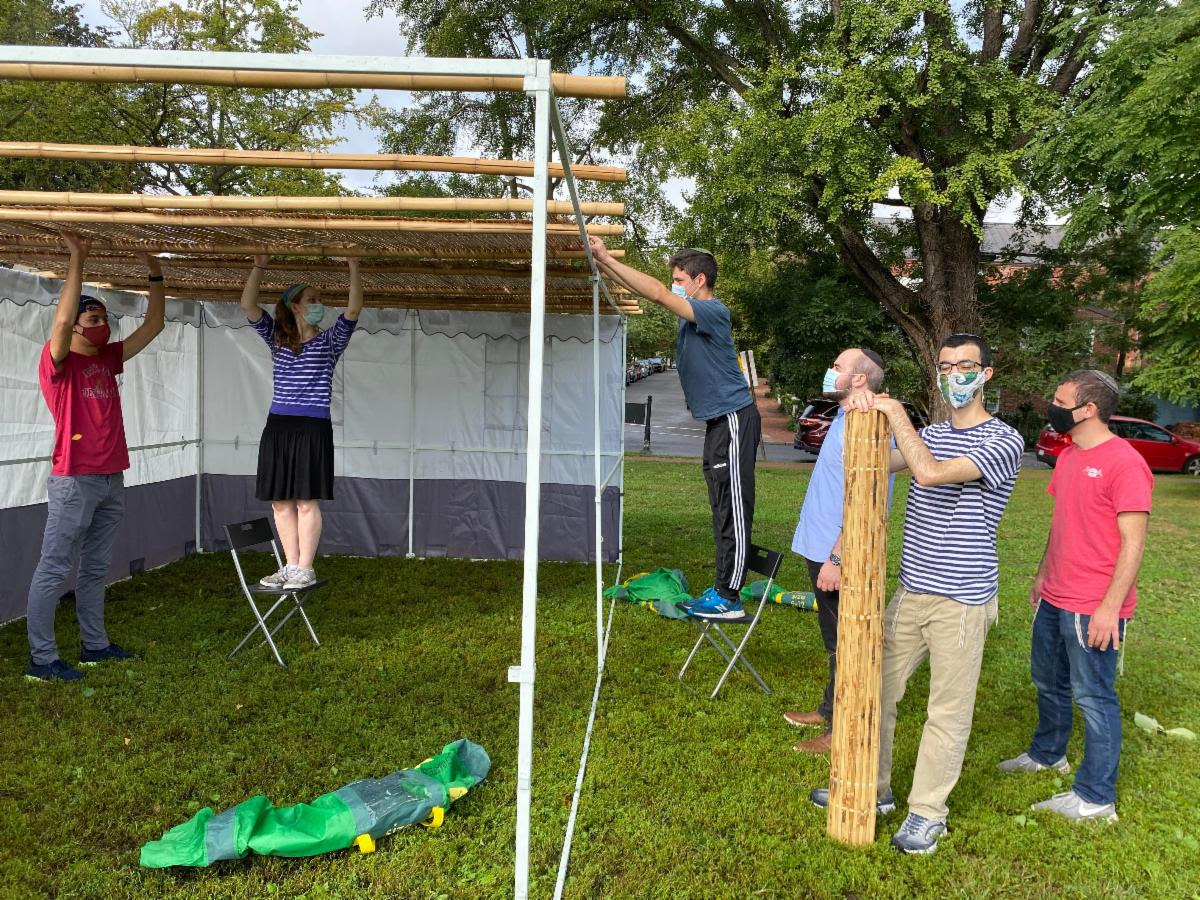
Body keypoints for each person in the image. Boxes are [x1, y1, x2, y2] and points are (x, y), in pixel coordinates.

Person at [810, 333, 1025, 854]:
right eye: (946, 366)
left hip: (961, 602)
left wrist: (895, 413)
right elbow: (871, 464)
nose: (954, 375)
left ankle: (928, 812)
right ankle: (875, 787)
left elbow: (928, 474)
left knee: (945, 712)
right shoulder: (930, 432)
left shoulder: (1002, 440)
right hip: (912, 591)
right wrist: (857, 414)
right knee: (876, 692)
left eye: (965, 366)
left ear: (986, 374)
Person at [999, 370, 1152, 823]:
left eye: (1059, 399)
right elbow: (1062, 524)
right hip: (1055, 595)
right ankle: (1048, 754)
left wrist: (1109, 608)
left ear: (1088, 409)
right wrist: (1041, 576)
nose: (1052, 405)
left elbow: (1134, 544)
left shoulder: (1125, 462)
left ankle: (1095, 797)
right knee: (1048, 680)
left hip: (1094, 605)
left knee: (1094, 696)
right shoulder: (1067, 458)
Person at [588, 237, 760, 619]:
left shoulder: (713, 310)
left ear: (699, 280)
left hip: (734, 418)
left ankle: (729, 598)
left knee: (733, 507)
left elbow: (656, 295)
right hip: (719, 421)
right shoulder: (692, 315)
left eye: (679, 279)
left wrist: (605, 256)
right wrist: (605, 265)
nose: (674, 285)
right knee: (720, 505)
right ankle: (721, 587)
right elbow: (650, 292)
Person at [26, 233, 166, 682]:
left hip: (110, 477)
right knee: (53, 568)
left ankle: (94, 646)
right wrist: (76, 260)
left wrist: (155, 273)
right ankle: (41, 659)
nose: (102, 323)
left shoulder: (107, 359)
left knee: (96, 567)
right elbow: (62, 320)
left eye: (104, 316)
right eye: (93, 316)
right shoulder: (58, 362)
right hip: (74, 479)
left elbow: (154, 326)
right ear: (74, 326)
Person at [239, 255, 363, 590]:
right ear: (294, 306)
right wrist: (260, 265)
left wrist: (353, 267)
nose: (319, 304)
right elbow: (247, 304)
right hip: (278, 425)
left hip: (312, 427)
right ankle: (290, 565)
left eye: (320, 299)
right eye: (312, 299)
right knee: (281, 501)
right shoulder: (276, 338)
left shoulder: (329, 341)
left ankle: (305, 568)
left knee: (307, 500)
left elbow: (352, 311)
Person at [786, 348, 887, 754]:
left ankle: (841, 729)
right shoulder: (845, 416)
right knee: (834, 639)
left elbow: (866, 500)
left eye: (839, 367)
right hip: (819, 548)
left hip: (839, 555)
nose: (831, 372)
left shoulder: (868, 424)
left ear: (859, 380)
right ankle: (829, 709)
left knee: (847, 643)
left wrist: (839, 558)